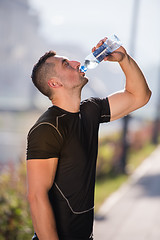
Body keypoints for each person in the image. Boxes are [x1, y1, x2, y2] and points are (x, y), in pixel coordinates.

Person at [26, 37, 151, 240]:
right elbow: (37, 197)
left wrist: (124, 59)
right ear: (54, 83)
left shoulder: (90, 111)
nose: (77, 63)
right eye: (66, 64)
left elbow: (140, 96)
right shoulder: (47, 128)